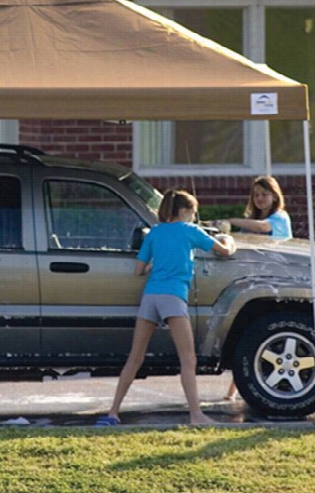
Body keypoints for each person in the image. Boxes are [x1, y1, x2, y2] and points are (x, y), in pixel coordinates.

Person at [96, 189, 236, 427]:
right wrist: (229, 239)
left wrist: (154, 264)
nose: (194, 217)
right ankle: (196, 415)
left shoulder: (155, 232)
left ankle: (112, 412)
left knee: (135, 357)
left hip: (150, 297)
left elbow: (138, 270)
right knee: (188, 359)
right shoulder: (190, 230)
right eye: (193, 212)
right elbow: (222, 251)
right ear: (184, 211)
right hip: (173, 297)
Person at [217, 175, 292, 401]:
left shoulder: (279, 217)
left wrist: (232, 221)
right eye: (256, 195)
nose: (260, 199)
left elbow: (262, 227)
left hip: (279, 282)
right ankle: (231, 393)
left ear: (275, 196)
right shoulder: (254, 218)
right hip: (258, 282)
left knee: (260, 338)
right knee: (250, 338)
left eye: (264, 194)